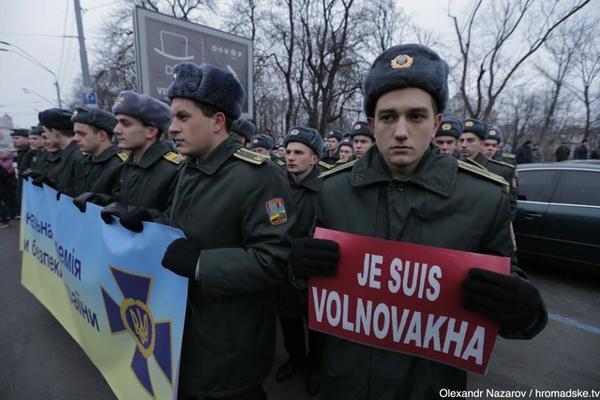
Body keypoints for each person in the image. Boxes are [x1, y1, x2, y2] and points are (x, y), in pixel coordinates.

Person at [289, 43, 546, 399]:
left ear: (436, 123)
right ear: (371, 123)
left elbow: (513, 292)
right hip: (346, 381)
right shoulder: (333, 190)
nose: (400, 131)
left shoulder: (484, 198)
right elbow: (314, 290)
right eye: (388, 117)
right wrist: (300, 273)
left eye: (416, 116)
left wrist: (523, 310)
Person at [145, 62, 293, 400]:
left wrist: (200, 265)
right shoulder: (190, 168)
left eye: (183, 117)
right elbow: (185, 227)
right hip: (183, 329)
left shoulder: (259, 176)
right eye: (172, 118)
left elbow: (275, 259)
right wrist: (147, 221)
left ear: (217, 121)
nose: (172, 128)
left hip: (229, 347)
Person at [276, 126, 326, 396]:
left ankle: (315, 366)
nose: (290, 157)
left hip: (314, 274)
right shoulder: (276, 184)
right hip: (282, 269)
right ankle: (295, 357)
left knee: (316, 324)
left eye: (298, 152)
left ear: (314, 159)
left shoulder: (328, 187)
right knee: (288, 319)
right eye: (287, 151)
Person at [77, 91, 180, 218]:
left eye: (125, 124)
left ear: (151, 132)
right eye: (117, 123)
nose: (116, 130)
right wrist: (100, 201)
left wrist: (146, 217)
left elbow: (176, 220)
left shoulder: (172, 170)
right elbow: (124, 204)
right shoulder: (128, 165)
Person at [71, 107, 125, 195]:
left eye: (81, 134)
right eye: (75, 133)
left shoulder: (118, 165)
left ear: (102, 135)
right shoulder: (85, 161)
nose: (75, 138)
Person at [38, 108, 84, 196]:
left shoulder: (77, 155)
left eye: (45, 131)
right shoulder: (69, 153)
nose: (45, 135)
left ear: (55, 132)